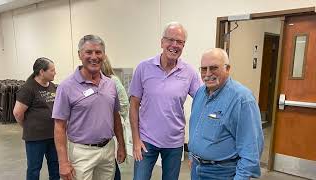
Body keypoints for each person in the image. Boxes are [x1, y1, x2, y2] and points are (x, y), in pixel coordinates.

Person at [129, 22, 202, 180]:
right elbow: (134, 105)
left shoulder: (189, 72)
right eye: (170, 40)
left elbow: (203, 100)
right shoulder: (143, 68)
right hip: (146, 141)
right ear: (162, 42)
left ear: (184, 45)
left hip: (174, 143)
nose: (174, 45)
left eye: (180, 42)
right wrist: (135, 139)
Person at [52, 34, 126, 180]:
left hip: (107, 149)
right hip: (81, 152)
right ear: (80, 54)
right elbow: (59, 126)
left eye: (98, 52)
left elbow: (115, 115)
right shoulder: (66, 87)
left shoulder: (110, 84)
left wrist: (121, 145)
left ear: (104, 55)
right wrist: (63, 162)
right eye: (89, 52)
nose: (94, 57)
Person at [188, 48, 264, 180]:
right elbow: (196, 127)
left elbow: (251, 149)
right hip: (197, 169)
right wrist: (193, 155)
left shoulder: (242, 99)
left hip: (222, 173)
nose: (207, 74)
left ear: (227, 69)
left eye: (214, 68)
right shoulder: (200, 93)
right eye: (203, 69)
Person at [13, 57, 59, 180]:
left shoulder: (53, 87)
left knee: (55, 166)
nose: (55, 72)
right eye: (52, 70)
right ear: (41, 72)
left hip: (54, 135)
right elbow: (17, 113)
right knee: (34, 168)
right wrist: (28, 126)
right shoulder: (28, 88)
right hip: (35, 138)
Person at [101, 57, 129, 180]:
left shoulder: (112, 81)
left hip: (111, 128)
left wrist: (120, 117)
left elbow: (123, 103)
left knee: (110, 164)